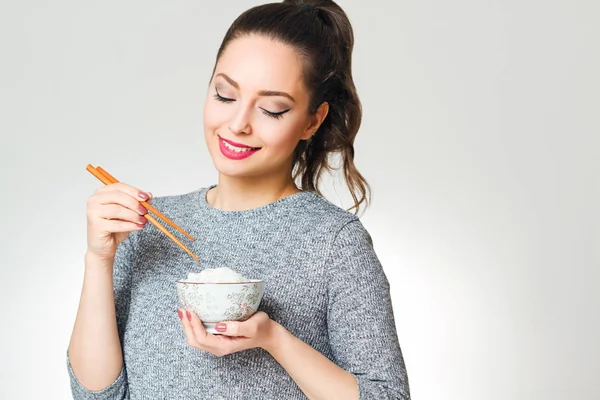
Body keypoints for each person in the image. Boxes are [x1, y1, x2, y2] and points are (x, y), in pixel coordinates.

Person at [67, 0, 410, 399]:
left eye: (272, 108)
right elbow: (95, 395)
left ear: (312, 121)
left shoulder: (335, 242)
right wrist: (99, 259)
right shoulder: (149, 224)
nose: (237, 124)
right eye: (225, 95)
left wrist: (274, 339)